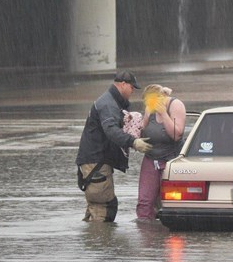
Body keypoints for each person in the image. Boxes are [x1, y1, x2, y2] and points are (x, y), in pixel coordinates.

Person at [76, 70, 152, 222]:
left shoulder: (110, 101)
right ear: (123, 84)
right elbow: (110, 130)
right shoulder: (108, 104)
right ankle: (101, 242)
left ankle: (92, 241)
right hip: (95, 162)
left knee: (97, 207)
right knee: (105, 207)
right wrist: (133, 142)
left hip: (94, 162)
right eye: (132, 88)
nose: (132, 92)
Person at [136, 84, 186, 221]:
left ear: (161, 97)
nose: (149, 105)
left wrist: (163, 113)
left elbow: (176, 135)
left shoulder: (176, 105)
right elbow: (141, 131)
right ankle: (146, 233)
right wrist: (133, 129)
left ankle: (170, 231)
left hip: (171, 159)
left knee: (169, 200)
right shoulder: (148, 109)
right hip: (151, 158)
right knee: (144, 201)